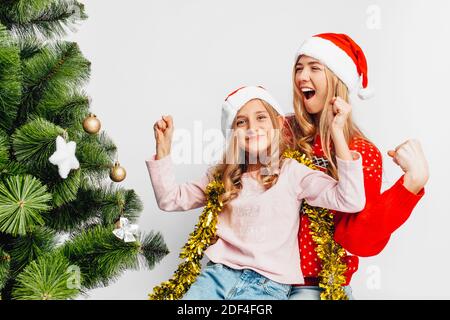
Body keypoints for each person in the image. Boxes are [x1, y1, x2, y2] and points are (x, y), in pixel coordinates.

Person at [147, 86, 366, 299]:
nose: (252, 128)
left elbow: (350, 199)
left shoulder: (291, 172)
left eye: (261, 117)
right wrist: (164, 150)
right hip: (216, 277)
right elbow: (170, 199)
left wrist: (337, 133)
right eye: (241, 122)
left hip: (268, 285)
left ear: (278, 124)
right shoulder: (221, 177)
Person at [287, 33, 429, 299]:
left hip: (315, 287)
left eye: (314, 68)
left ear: (337, 80)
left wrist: (410, 185)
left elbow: (358, 240)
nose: (302, 77)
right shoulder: (282, 133)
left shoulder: (361, 152)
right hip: (258, 279)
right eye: (298, 68)